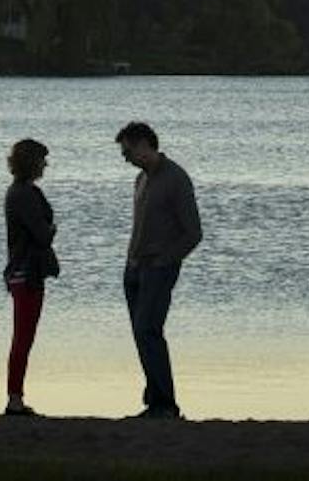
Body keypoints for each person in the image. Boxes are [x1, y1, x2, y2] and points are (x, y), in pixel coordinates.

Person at [116, 120, 202, 419]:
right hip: (135, 268)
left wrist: (165, 260)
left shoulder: (176, 179)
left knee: (149, 330)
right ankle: (154, 398)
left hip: (158, 269)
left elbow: (193, 233)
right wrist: (131, 262)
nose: (125, 158)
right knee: (141, 334)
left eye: (128, 152)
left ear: (143, 144)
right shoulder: (141, 180)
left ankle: (165, 404)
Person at [1, 137, 58, 417]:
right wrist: (50, 228)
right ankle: (14, 398)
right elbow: (42, 234)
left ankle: (16, 395)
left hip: (24, 272)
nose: (46, 165)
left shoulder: (21, 192)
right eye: (42, 160)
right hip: (26, 273)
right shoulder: (23, 195)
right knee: (23, 337)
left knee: (24, 337)